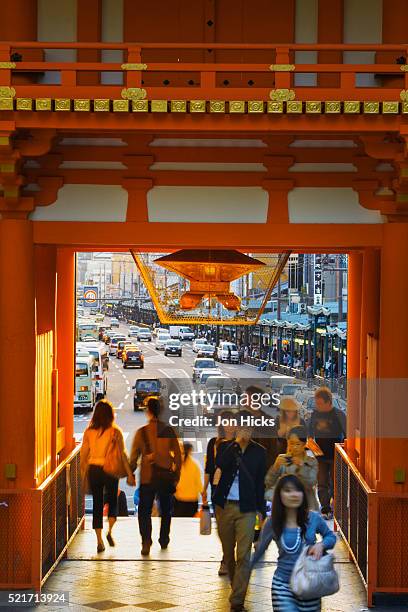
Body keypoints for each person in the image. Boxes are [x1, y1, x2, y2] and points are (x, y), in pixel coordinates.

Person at [213, 411, 266, 612]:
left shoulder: (259, 452)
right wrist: (236, 443)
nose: (246, 430)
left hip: (247, 508)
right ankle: (238, 588)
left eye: (249, 427)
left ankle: (237, 601)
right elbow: (220, 464)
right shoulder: (225, 446)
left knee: (243, 554)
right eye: (242, 427)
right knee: (229, 554)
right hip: (224, 506)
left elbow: (260, 483)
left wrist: (262, 511)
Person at [251, 426, 319, 566]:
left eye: (297, 444)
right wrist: (275, 467)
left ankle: (305, 569)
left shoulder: (311, 462)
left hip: (306, 509)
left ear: (304, 444)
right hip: (284, 509)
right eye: (290, 443)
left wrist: (300, 466)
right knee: (284, 543)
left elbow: (311, 481)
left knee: (307, 540)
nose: (293, 448)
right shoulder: (281, 459)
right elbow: (268, 481)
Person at [269, 474, 336, 611]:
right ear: (279, 495)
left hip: (309, 583)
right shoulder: (272, 522)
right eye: (287, 490)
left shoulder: (313, 518)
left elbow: (331, 536)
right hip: (282, 584)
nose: (293, 494)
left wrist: (321, 545)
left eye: (297, 490)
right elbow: (257, 552)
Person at [80, 400, 135, 553]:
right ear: (111, 415)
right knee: (113, 502)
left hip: (94, 470)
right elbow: (123, 454)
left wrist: (83, 472)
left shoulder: (88, 432)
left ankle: (99, 541)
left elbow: (84, 455)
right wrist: (130, 474)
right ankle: (110, 531)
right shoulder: (115, 431)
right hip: (110, 469)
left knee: (97, 504)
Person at [130, 397, 182, 555]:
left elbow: (133, 458)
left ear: (148, 411)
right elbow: (178, 455)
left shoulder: (142, 432)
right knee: (166, 510)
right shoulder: (169, 430)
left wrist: (129, 473)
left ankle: (146, 542)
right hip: (166, 476)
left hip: (147, 477)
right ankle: (164, 539)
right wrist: (176, 474)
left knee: (144, 511)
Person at [202, 410, 237, 576]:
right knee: (223, 526)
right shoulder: (214, 443)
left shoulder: (240, 443)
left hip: (237, 489)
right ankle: (227, 555)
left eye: (232, 421)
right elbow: (209, 468)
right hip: (218, 488)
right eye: (226, 422)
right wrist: (203, 488)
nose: (230, 425)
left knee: (234, 524)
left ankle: (226, 558)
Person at [308, 387, 346, 519]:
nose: (317, 406)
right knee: (322, 482)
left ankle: (338, 508)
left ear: (328, 402)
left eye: (320, 403)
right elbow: (309, 434)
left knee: (337, 483)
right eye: (316, 403)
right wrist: (312, 446)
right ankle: (325, 508)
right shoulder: (315, 415)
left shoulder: (338, 414)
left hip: (336, 456)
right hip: (321, 457)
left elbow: (347, 435)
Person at [173, 442, 203, 517]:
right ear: (190, 451)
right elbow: (198, 482)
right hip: (192, 499)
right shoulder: (195, 465)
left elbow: (173, 480)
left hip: (179, 498)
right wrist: (203, 494)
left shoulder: (177, 463)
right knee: (190, 523)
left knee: (179, 523)